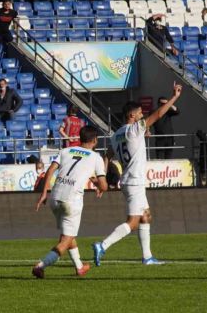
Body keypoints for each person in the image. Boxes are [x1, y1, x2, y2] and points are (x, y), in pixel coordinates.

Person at [93, 82, 183, 267]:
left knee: (145, 216)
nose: (142, 115)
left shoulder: (116, 134)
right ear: (132, 115)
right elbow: (157, 115)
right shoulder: (135, 129)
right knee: (133, 222)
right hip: (134, 181)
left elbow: (108, 155)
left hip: (128, 180)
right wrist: (174, 97)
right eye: (140, 113)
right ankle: (102, 245)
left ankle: (147, 257)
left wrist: (102, 177)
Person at [32, 126, 108, 279]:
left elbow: (51, 170)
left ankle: (79, 267)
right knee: (65, 240)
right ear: (94, 140)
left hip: (55, 197)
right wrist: (97, 183)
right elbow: (104, 185)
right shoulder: (96, 157)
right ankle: (41, 266)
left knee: (68, 235)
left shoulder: (66, 151)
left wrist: (44, 192)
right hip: (72, 200)